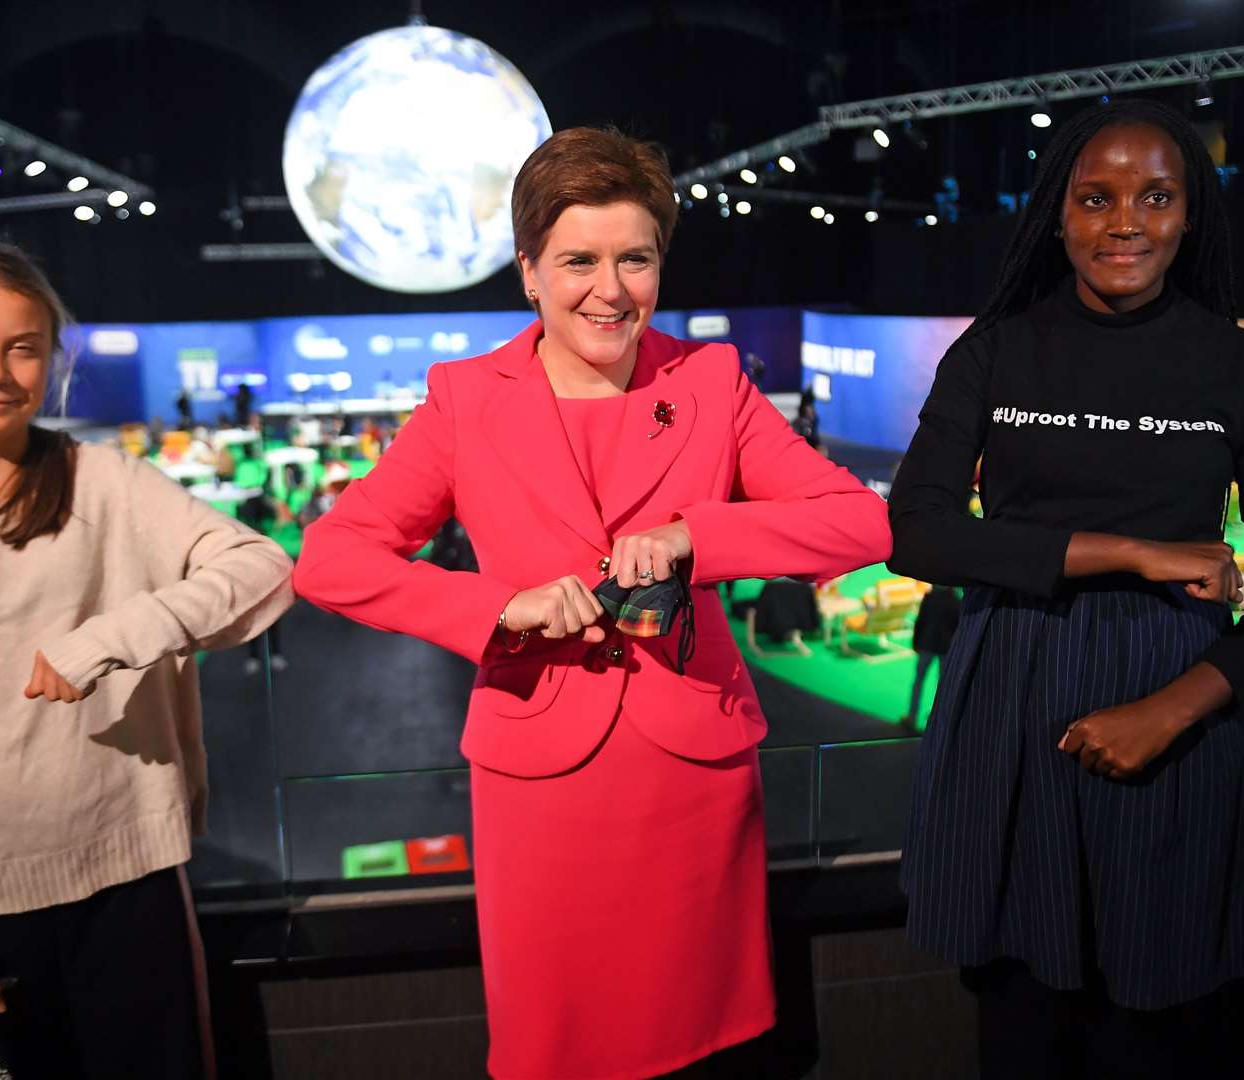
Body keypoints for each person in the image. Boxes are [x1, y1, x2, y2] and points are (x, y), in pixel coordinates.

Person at [292, 127, 892, 1079]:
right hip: (543, 781)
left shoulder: (709, 380)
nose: (608, 290)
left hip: (691, 780)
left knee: (711, 1047)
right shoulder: (463, 399)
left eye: (635, 259)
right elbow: (330, 559)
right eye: (578, 260)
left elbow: (859, 523)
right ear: (529, 270)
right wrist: (498, 610)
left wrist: (701, 535)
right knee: (557, 1044)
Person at [887, 100, 1244, 1078]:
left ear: (1189, 217)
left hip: (1174, 706)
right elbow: (916, 534)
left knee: (1156, 1026)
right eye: (1096, 198)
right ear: (1059, 214)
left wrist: (1171, 711)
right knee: (1020, 1020)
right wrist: (1135, 551)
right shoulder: (994, 351)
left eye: (1155, 197)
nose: (1124, 220)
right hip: (1009, 694)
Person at [0, 238, 293, 1079]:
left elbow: (262, 571)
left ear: (50, 357)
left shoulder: (103, 482)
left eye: (22, 346)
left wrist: (109, 641)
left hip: (135, 883)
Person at [903, 584, 960, 729]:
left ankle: (911, 716)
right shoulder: (955, 601)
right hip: (945, 648)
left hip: (927, 644)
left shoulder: (929, 598)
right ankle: (938, 720)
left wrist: (916, 643)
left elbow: (920, 621)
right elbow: (957, 628)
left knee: (918, 682)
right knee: (943, 686)